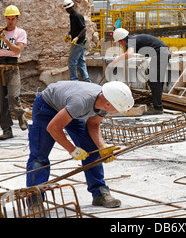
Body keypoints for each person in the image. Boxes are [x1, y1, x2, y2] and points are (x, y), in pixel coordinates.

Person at [26, 80, 134, 208]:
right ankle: (35, 199)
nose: (118, 112)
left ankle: (99, 193)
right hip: (47, 106)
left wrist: (102, 147)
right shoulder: (80, 102)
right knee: (39, 155)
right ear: (108, 103)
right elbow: (53, 128)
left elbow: (93, 124)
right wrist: (72, 150)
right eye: (118, 109)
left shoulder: (105, 100)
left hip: (70, 109)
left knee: (91, 149)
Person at [0, 5, 28, 140]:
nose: (10, 21)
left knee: (12, 96)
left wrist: (5, 39)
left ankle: (20, 115)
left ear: (17, 19)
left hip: (13, 68)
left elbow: (17, 51)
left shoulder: (20, 33)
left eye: (12, 19)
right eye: (8, 18)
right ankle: (6, 129)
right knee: (1, 101)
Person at [111, 28, 170, 115]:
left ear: (121, 41)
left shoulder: (130, 41)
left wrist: (117, 60)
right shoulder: (133, 39)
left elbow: (129, 54)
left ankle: (158, 108)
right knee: (155, 81)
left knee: (155, 81)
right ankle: (157, 105)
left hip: (160, 54)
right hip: (162, 52)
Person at [63, 0, 91, 82]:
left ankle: (74, 80)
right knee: (81, 61)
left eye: (69, 8)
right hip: (80, 41)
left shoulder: (77, 16)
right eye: (66, 9)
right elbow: (75, 28)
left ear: (73, 6)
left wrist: (77, 37)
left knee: (72, 61)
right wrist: (69, 34)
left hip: (79, 42)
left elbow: (84, 29)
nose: (68, 10)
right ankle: (86, 79)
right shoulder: (71, 15)